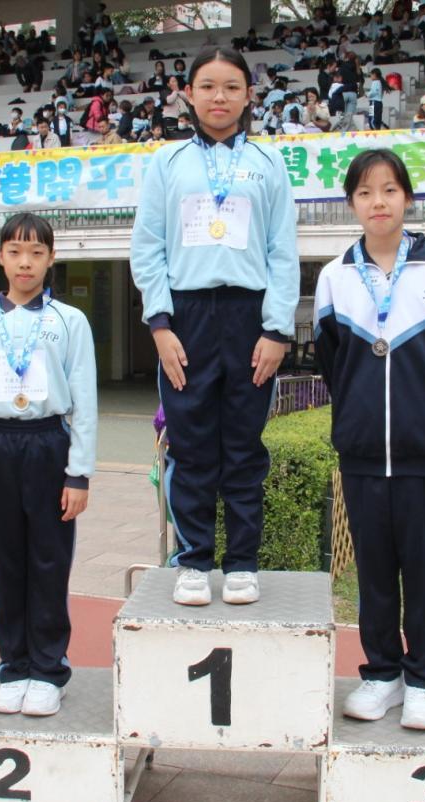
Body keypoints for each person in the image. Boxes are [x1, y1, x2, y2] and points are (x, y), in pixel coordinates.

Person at [313, 149, 425, 731]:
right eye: (365, 192)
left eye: (389, 190)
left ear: (407, 197)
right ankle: (382, 674)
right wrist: (357, 419)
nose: (378, 202)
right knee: (375, 572)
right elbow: (333, 364)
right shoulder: (335, 277)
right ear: (351, 203)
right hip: (364, 455)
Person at [130, 46, 300, 608]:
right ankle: (194, 561)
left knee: (245, 446)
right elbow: (148, 248)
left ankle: (243, 562)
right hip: (186, 319)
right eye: (207, 86)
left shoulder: (269, 164)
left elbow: (283, 251)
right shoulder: (168, 162)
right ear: (189, 94)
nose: (219, 97)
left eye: (231, 86)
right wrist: (160, 325)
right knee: (192, 444)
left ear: (249, 94)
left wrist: (276, 330)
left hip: (250, 317)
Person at [0, 213, 97, 716]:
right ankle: (14, 667)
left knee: (49, 562)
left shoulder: (69, 321)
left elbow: (85, 402)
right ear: (0, 257)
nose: (25, 262)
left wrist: (78, 472)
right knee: (6, 565)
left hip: (47, 442)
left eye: (36, 253)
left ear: (52, 258)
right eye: (15, 251)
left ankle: (49, 670)